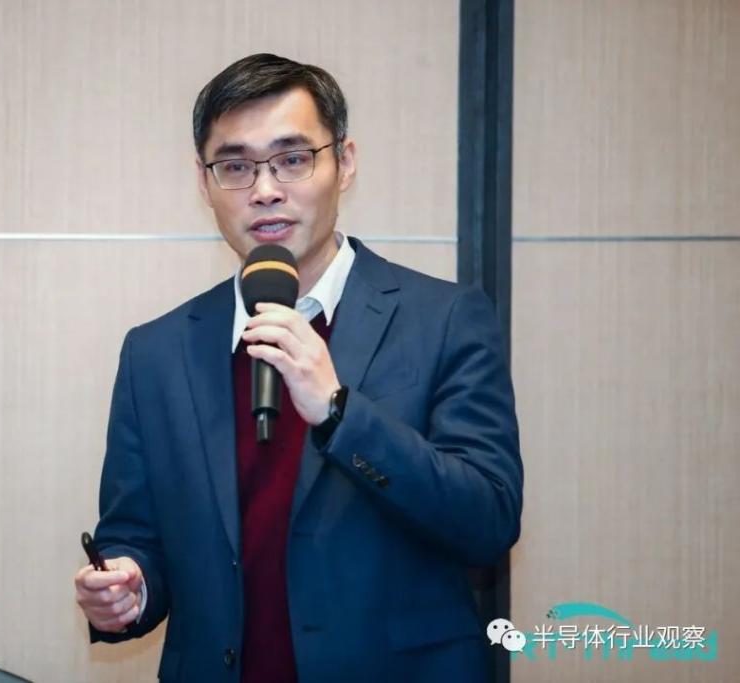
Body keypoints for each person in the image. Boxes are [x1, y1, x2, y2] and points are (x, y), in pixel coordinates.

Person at [74, 53, 523, 683]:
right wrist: (130, 586)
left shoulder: (444, 320)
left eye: (292, 158)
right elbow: (134, 534)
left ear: (345, 162)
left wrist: (339, 412)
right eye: (235, 166)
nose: (264, 190)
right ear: (204, 182)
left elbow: (488, 520)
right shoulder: (155, 352)